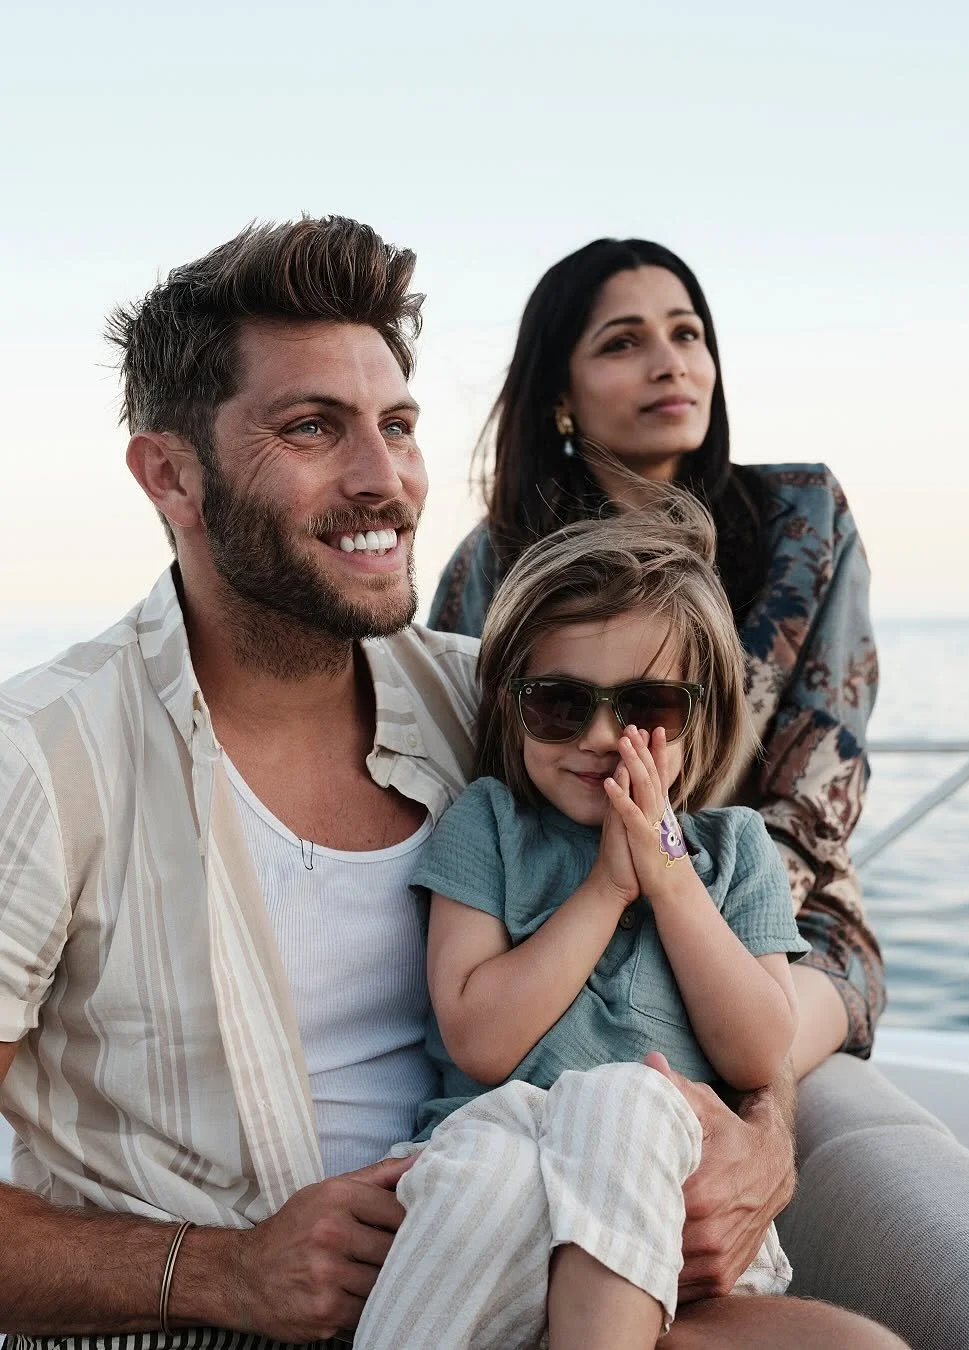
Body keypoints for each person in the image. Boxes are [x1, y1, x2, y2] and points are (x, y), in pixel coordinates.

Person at [0, 217, 902, 1350]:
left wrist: (758, 1136)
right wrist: (221, 1272)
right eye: (313, 428)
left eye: (399, 426)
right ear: (171, 475)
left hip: (555, 1268)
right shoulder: (41, 760)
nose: (385, 481)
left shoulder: (499, 701)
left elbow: (769, 950)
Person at [354, 494, 808, 1349]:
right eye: (561, 704)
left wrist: (668, 879)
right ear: (511, 707)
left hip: (670, 1211)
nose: (602, 736)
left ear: (697, 718)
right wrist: (604, 891)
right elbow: (481, 1041)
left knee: (630, 1097)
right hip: (501, 1183)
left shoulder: (736, 850)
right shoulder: (490, 824)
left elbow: (756, 1051)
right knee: (480, 1164)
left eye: (646, 708)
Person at [430, 237, 886, 1079]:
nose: (669, 364)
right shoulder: (491, 563)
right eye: (623, 342)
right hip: (548, 892)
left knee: (768, 1038)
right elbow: (471, 756)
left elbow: (824, 771)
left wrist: (691, 898)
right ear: (561, 392)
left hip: (772, 897)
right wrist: (588, 898)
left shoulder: (804, 520)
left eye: (687, 334)